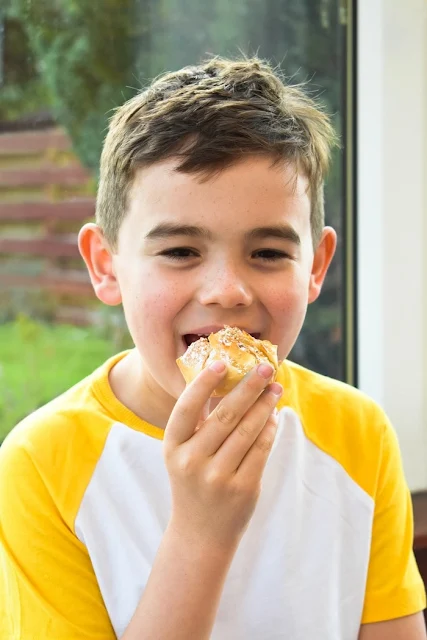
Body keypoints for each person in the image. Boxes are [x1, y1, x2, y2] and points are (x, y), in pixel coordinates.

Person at [0, 56, 425, 640]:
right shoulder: (41, 465)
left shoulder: (357, 434)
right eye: (179, 251)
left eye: (269, 253)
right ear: (107, 267)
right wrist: (201, 534)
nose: (227, 291)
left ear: (316, 267)